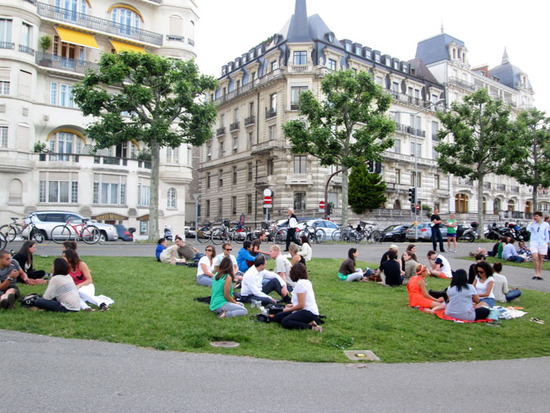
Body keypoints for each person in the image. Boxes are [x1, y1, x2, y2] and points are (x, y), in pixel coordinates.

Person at [273, 263, 322, 332]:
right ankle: (308, 322)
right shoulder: (306, 282)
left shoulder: (300, 284)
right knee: (278, 317)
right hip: (305, 310)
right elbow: (304, 300)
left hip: (308, 312)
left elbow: (301, 305)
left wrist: (289, 309)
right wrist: (292, 305)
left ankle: (312, 327)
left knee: (285, 321)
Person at [527, 211, 549, 280]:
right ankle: (536, 272)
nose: (536, 217)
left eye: (537, 216)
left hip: (542, 243)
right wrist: (533, 222)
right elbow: (528, 229)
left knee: (540, 259)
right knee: (535, 257)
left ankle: (539, 273)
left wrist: (547, 242)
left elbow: (546, 234)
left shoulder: (545, 224)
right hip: (534, 242)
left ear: (540, 217)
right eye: (535, 216)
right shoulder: (532, 224)